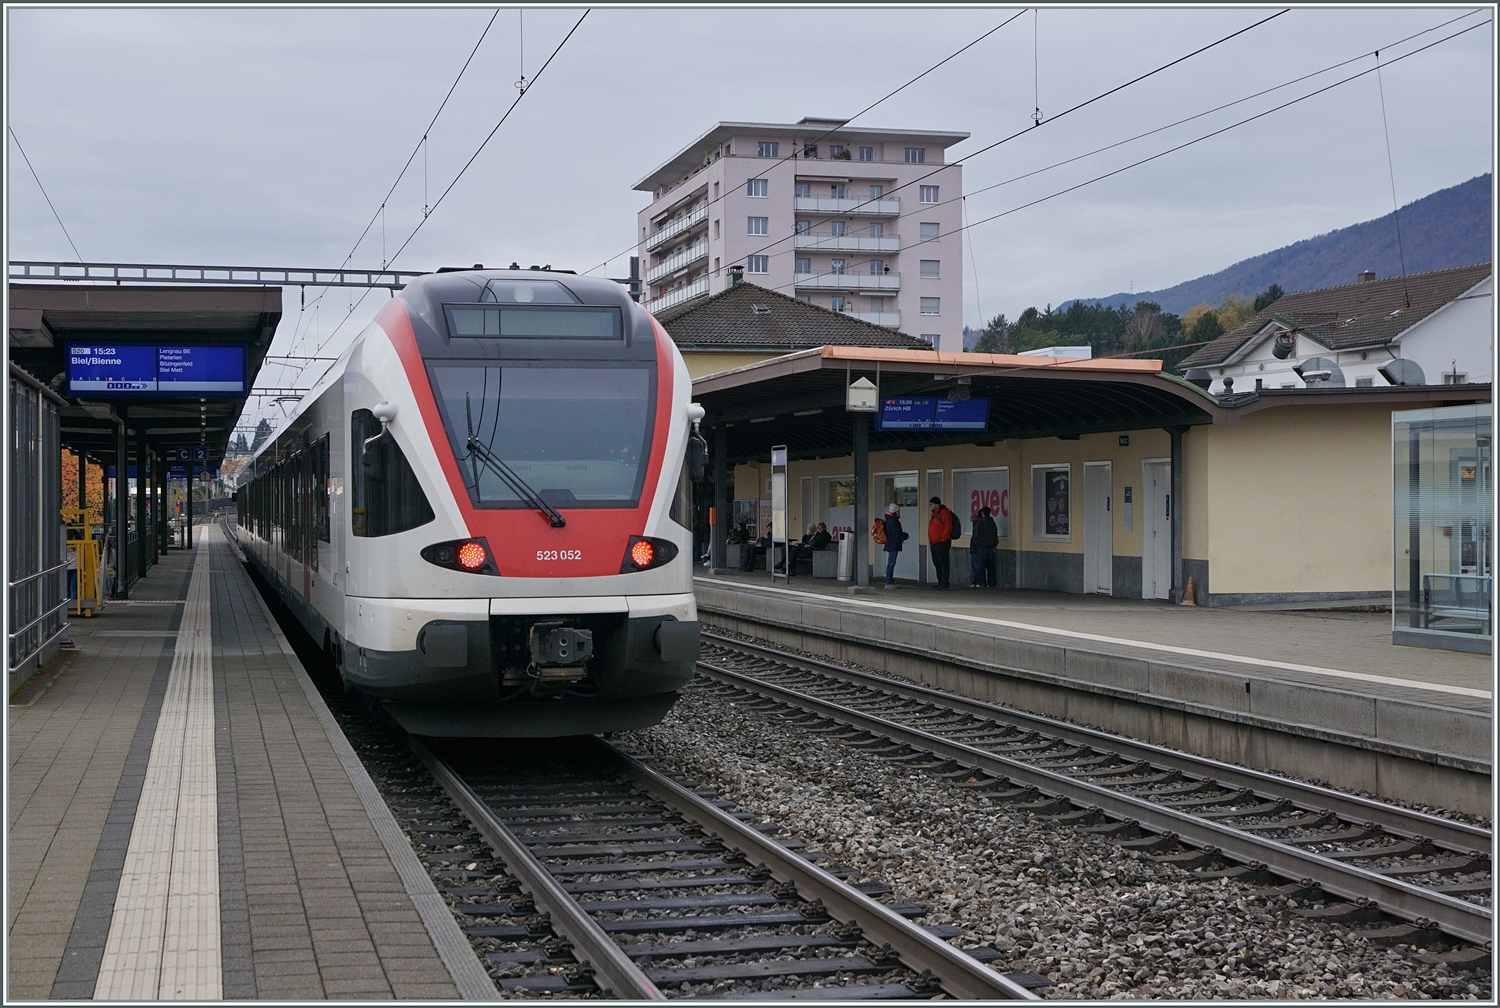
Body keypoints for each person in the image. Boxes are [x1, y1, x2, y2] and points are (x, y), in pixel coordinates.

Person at [928, 496, 959, 590]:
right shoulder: (934, 514)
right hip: (934, 542)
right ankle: (940, 581)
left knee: (943, 563)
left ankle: (944, 582)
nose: (930, 506)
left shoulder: (945, 513)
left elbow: (948, 527)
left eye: (931, 504)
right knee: (937, 562)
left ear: (937, 505)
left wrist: (943, 539)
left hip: (941, 542)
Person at [878, 503, 907, 588]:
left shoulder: (888, 520)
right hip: (893, 544)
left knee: (890, 562)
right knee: (891, 563)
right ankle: (889, 582)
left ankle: (889, 581)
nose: (899, 513)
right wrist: (905, 536)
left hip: (890, 543)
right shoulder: (894, 521)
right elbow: (897, 534)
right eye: (898, 511)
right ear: (896, 512)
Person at [969, 505, 999, 588]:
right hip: (991, 548)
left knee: (980, 566)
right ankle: (992, 583)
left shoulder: (980, 523)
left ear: (982, 513)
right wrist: (994, 544)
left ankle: (982, 583)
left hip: (981, 547)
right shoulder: (992, 523)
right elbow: (995, 535)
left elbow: (975, 535)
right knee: (991, 567)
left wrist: (977, 543)